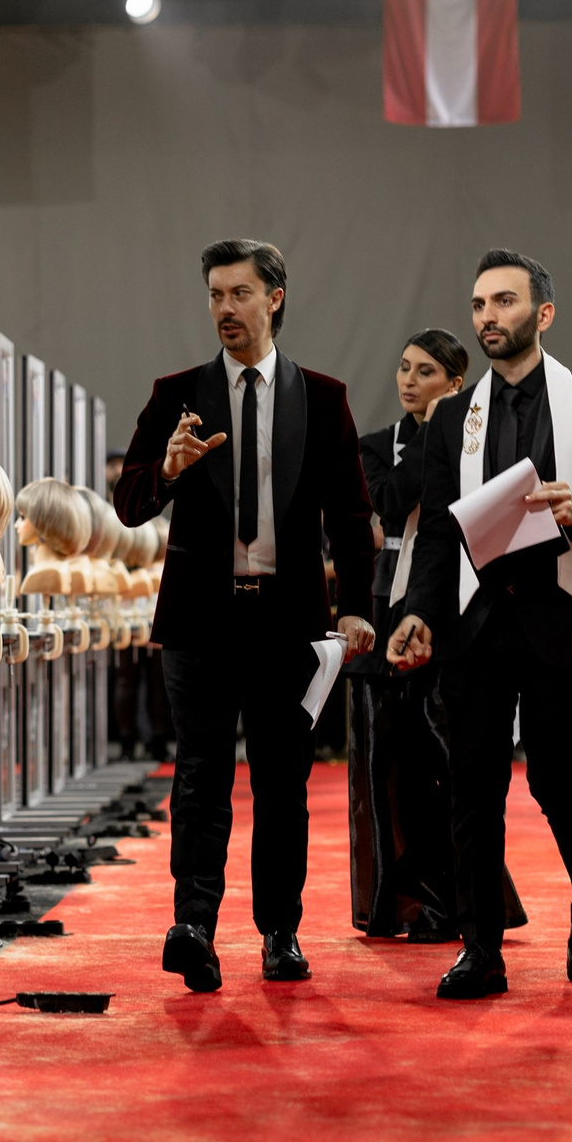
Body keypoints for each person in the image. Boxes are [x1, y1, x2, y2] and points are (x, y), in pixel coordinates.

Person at [113, 238, 376, 993]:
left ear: (274, 298)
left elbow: (350, 515)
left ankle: (280, 933)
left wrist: (356, 609)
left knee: (283, 784)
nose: (224, 309)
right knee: (199, 777)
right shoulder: (176, 394)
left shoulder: (322, 397)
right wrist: (167, 469)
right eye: (215, 295)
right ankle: (193, 926)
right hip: (199, 622)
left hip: (289, 624)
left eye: (239, 294)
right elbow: (128, 504)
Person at [388, 249, 572, 999]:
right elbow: (437, 533)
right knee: (472, 786)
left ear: (544, 313)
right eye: (479, 305)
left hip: (558, 616)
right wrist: (417, 613)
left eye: (504, 301)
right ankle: (480, 949)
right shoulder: (452, 419)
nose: (488, 316)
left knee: (557, 778)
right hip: (474, 624)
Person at [347, 329, 529, 942]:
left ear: (455, 383)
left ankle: (464, 900)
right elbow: (390, 501)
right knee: (389, 769)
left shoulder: (480, 445)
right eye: (404, 368)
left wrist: (449, 431)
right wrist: (438, 433)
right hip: (386, 612)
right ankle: (406, 899)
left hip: (456, 609)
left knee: (453, 764)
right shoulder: (377, 446)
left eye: (424, 372)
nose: (408, 380)